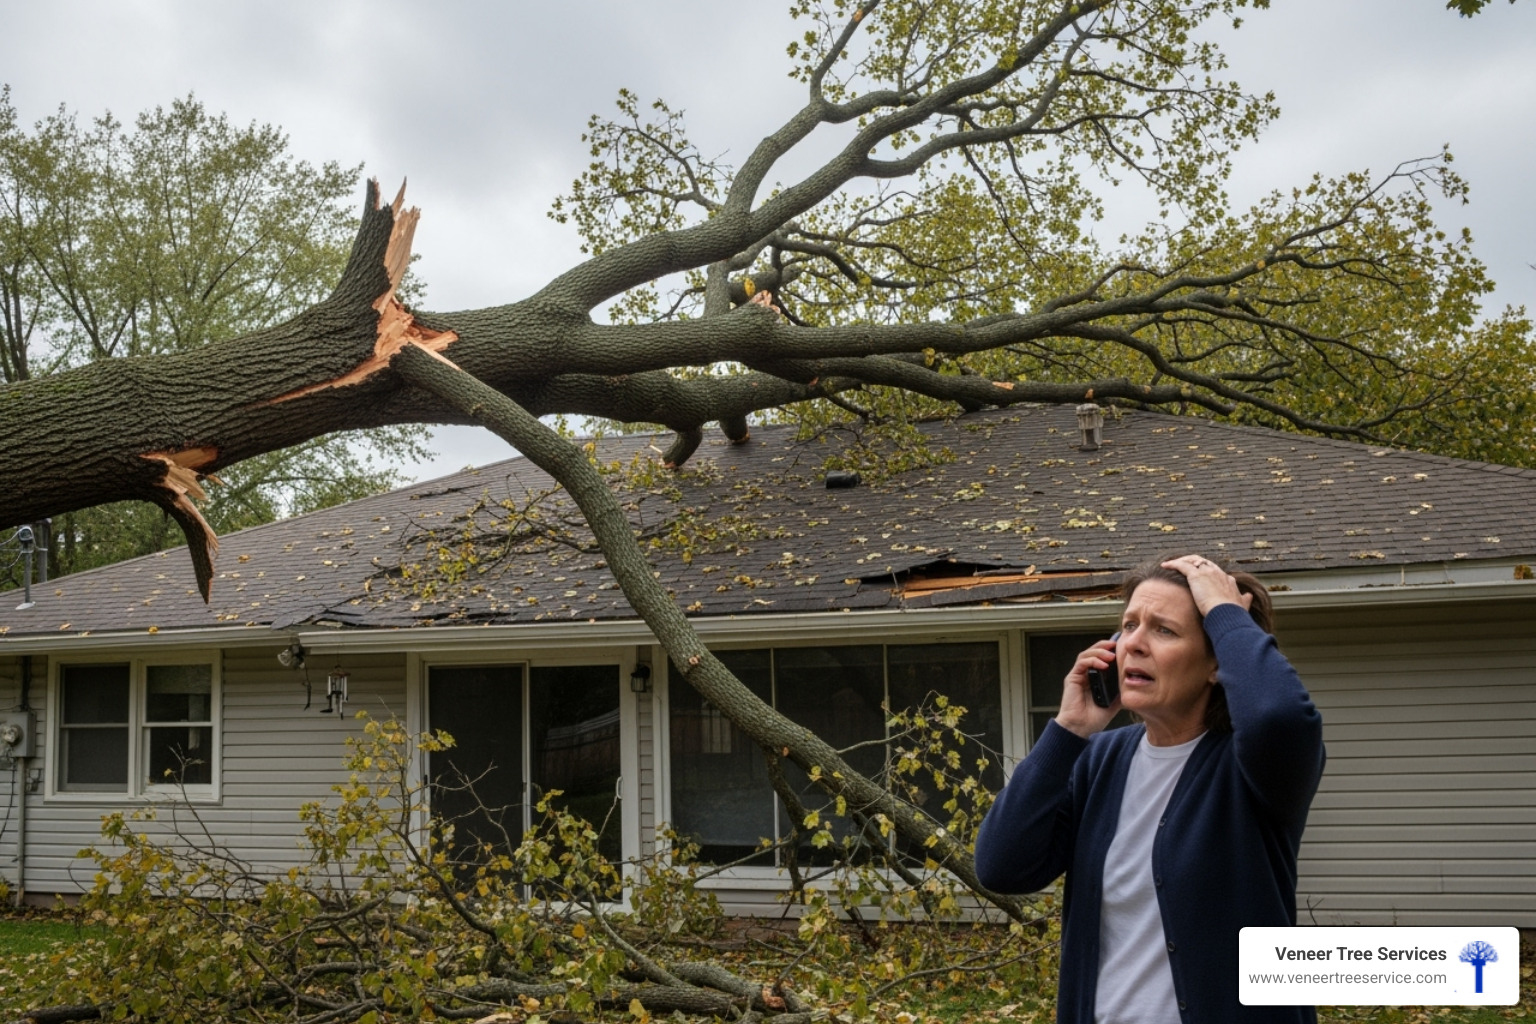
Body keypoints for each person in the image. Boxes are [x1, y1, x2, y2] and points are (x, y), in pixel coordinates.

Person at [975, 555, 1325, 1023]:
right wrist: (1069, 730)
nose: (1133, 644)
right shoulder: (1100, 760)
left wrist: (1225, 611)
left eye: (1164, 630)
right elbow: (1001, 865)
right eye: (1129, 626)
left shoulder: (1255, 767)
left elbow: (1276, 714)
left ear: (1216, 664)